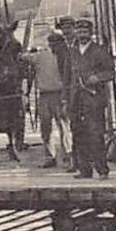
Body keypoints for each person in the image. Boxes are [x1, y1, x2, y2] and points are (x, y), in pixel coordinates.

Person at [66, 16, 115, 178]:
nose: (81, 33)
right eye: (79, 30)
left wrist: (98, 78)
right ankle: (84, 170)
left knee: (95, 133)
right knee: (78, 134)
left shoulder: (99, 51)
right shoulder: (71, 51)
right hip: (75, 99)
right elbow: (66, 77)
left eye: (85, 31)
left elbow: (111, 72)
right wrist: (64, 99)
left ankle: (102, 170)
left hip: (94, 99)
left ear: (91, 33)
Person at [32, 31, 70, 169]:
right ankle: (50, 156)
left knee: (64, 127)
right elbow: (23, 57)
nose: (54, 46)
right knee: (47, 127)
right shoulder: (42, 55)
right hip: (45, 96)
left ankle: (67, 156)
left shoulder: (67, 56)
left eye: (57, 44)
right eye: (52, 44)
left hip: (60, 94)